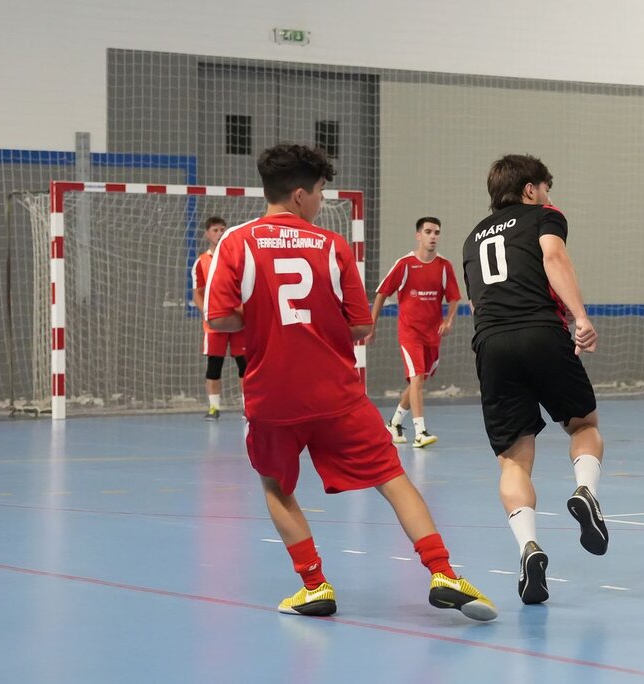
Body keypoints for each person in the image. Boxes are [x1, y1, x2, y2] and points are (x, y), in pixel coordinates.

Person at [204, 143, 496, 621]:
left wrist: (262, 318)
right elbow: (361, 327)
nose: (322, 200)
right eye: (319, 192)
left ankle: (315, 585)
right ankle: (443, 572)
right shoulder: (332, 245)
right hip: (336, 393)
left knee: (277, 487)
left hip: (271, 395)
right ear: (300, 195)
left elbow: (220, 321)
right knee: (393, 478)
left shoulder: (235, 242)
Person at [461, 154, 609, 605]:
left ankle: (528, 548)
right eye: (546, 187)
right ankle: (585, 492)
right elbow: (552, 256)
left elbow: (476, 303)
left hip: (491, 344)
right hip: (541, 332)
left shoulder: (470, 239)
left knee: (513, 460)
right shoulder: (544, 216)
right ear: (530, 190)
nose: (549, 195)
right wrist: (580, 316)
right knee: (584, 424)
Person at [369, 217, 461, 448]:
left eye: (436, 232)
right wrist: (372, 325)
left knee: (416, 384)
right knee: (417, 378)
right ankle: (421, 431)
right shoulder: (405, 264)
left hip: (433, 335)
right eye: (428, 231)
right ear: (418, 235)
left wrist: (449, 320)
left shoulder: (444, 266)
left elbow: (454, 297)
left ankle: (394, 423)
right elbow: (381, 293)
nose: (433, 236)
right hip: (410, 333)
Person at [192, 216, 246, 420]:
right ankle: (214, 407)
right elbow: (197, 291)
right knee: (214, 365)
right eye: (215, 230)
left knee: (245, 364)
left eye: (223, 229)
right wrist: (206, 312)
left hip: (238, 320)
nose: (219, 233)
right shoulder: (201, 262)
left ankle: (247, 406)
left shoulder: (236, 258)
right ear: (207, 234)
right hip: (215, 323)